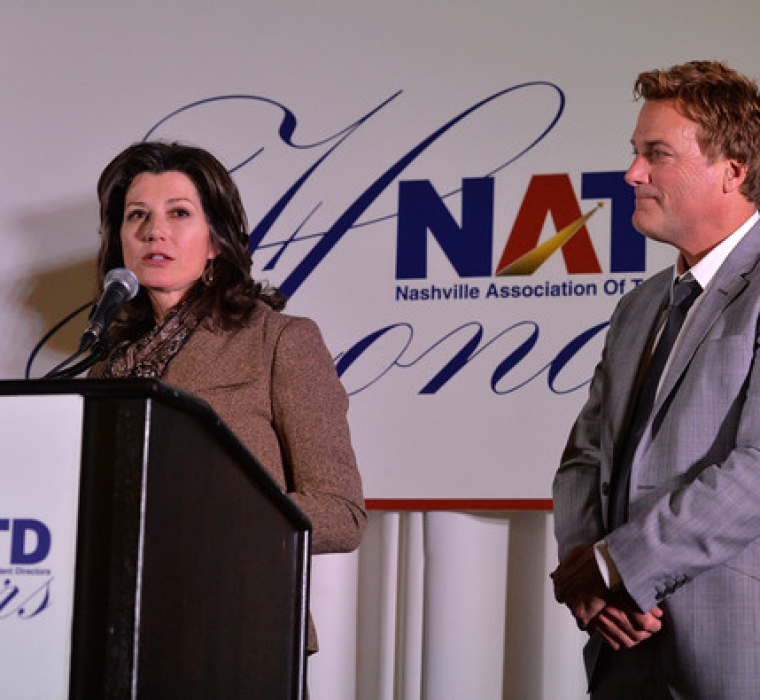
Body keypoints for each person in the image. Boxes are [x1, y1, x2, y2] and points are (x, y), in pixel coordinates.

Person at [89, 140, 367, 657]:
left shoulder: (279, 341)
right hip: (115, 631)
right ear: (120, 241)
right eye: (137, 216)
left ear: (215, 239)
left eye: (179, 213)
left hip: (239, 629)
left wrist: (201, 516)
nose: (156, 231)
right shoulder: (106, 366)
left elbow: (341, 514)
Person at [551, 60, 760, 699]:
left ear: (733, 171)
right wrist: (595, 582)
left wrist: (618, 568)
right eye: (635, 153)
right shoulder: (639, 305)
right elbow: (585, 458)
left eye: (656, 154)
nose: (632, 174)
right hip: (622, 650)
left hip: (732, 656)